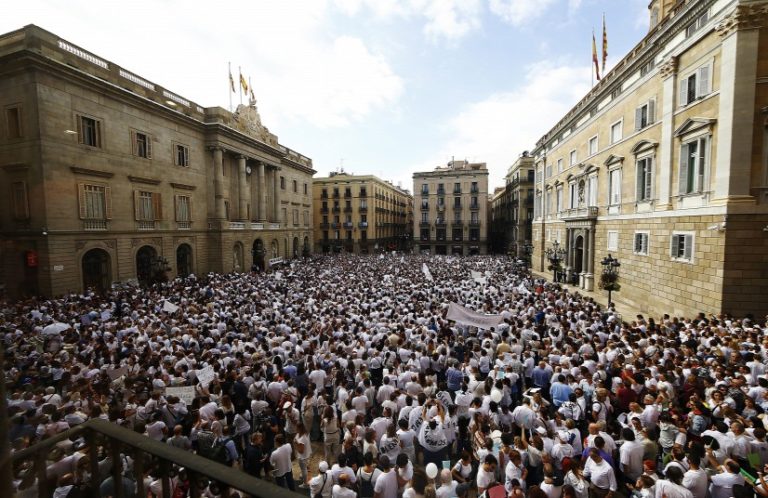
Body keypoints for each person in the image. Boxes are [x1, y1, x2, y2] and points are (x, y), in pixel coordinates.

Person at [295, 423, 312, 488]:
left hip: (303, 457)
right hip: (305, 455)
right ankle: (303, 475)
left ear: (299, 428)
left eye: (296, 428)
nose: (295, 429)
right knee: (304, 468)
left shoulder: (302, 438)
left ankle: (305, 484)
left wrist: (296, 444)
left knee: (304, 469)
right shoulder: (303, 433)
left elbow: (301, 451)